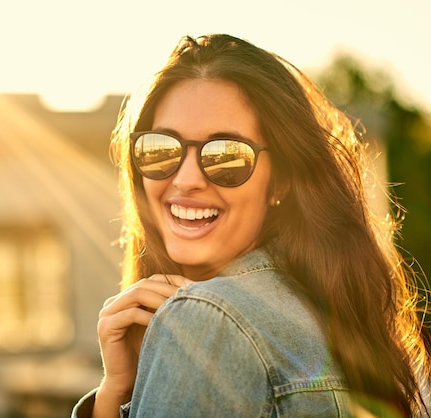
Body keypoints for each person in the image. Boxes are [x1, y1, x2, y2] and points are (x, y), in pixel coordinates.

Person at [71, 34, 431, 417]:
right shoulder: (337, 317)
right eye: (161, 149)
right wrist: (114, 392)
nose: (187, 178)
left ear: (281, 181)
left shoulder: (205, 320)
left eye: (227, 154)